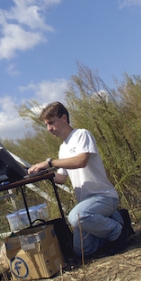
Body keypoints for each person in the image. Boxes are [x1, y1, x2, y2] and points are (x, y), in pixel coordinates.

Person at [28, 101, 133, 258]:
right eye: (46, 125)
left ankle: (118, 232)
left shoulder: (82, 135)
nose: (49, 128)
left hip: (104, 197)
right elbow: (62, 178)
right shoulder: (63, 148)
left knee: (76, 217)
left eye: (51, 123)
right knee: (82, 251)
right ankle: (115, 220)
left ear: (64, 118)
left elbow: (80, 161)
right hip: (86, 203)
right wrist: (44, 175)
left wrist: (50, 162)